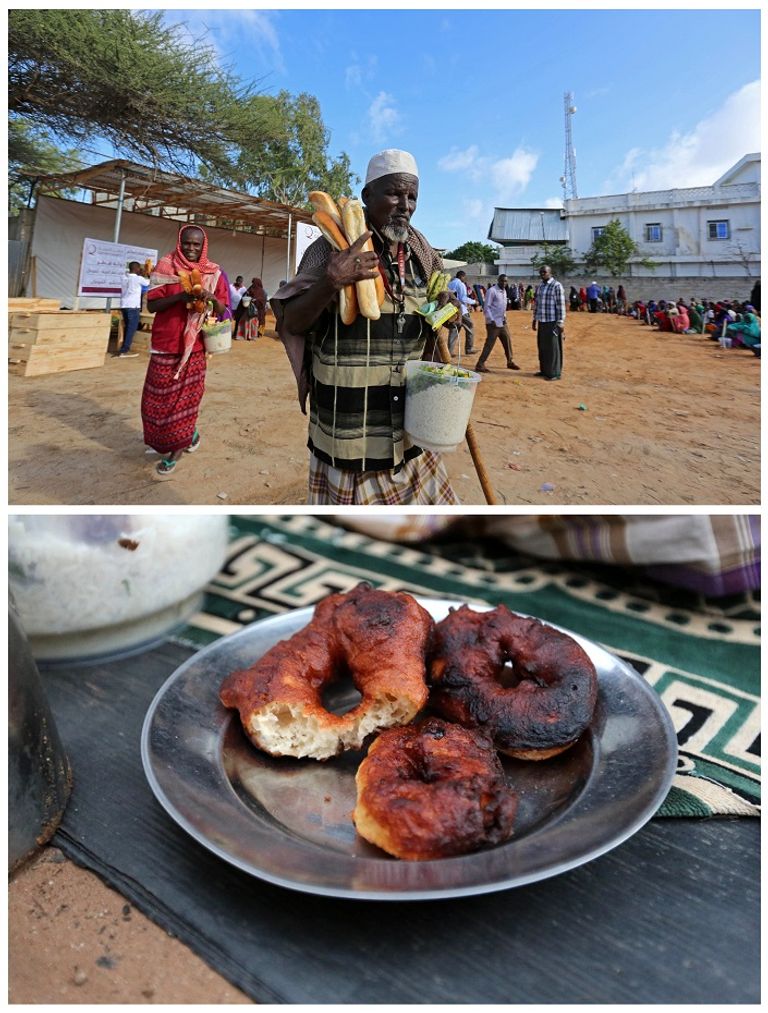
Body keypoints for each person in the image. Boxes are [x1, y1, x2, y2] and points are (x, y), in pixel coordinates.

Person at [271, 148, 457, 505]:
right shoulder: (330, 249)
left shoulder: (422, 252)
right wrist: (331, 282)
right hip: (349, 433)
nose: (405, 205)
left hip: (409, 431)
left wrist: (449, 312)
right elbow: (292, 322)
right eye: (394, 193)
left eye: (412, 196)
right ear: (366, 196)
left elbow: (431, 315)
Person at [141, 225, 229, 478]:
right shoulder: (165, 267)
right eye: (187, 243)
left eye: (196, 244)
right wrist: (180, 297)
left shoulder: (213, 272)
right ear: (180, 243)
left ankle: (176, 450)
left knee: (184, 403)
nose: (192, 248)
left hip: (196, 348)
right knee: (155, 402)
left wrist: (210, 296)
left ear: (204, 246)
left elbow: (223, 310)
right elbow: (153, 303)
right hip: (165, 344)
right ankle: (189, 435)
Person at [474, 274, 519, 373]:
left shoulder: (504, 291)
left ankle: (510, 361)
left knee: (507, 340)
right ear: (498, 280)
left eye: (506, 281)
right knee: (489, 344)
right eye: (502, 281)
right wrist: (491, 320)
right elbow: (486, 307)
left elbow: (502, 306)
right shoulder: (492, 291)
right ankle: (480, 364)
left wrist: (505, 317)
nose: (504, 283)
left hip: (502, 322)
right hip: (493, 323)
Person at [531, 263, 566, 380]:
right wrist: (534, 319)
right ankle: (544, 370)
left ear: (550, 273)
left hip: (552, 322)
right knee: (542, 347)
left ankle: (554, 373)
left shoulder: (556, 286)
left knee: (553, 348)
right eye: (541, 272)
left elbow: (560, 305)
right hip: (542, 321)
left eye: (544, 272)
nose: (542, 274)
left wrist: (561, 321)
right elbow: (537, 304)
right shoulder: (540, 286)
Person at [117, 261, 150, 357]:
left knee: (129, 327)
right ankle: (124, 350)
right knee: (132, 328)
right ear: (136, 269)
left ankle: (124, 348)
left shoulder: (123, 277)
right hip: (133, 306)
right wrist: (145, 274)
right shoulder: (139, 278)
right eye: (139, 268)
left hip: (124, 305)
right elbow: (148, 283)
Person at [446, 269, 475, 355]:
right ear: (461, 276)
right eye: (464, 277)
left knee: (454, 330)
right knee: (470, 327)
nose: (465, 279)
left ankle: (449, 351)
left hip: (451, 310)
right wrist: (474, 302)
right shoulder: (460, 284)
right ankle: (469, 349)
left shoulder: (450, 284)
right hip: (461, 310)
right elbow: (463, 298)